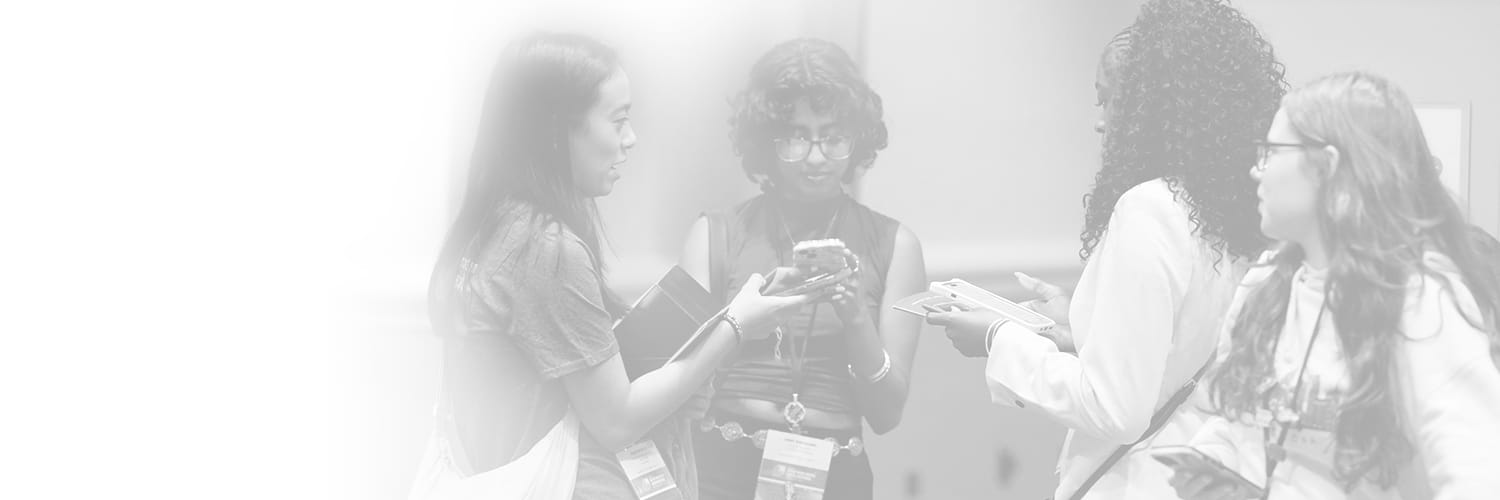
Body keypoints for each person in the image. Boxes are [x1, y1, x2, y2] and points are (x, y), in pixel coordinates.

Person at [408, 33, 824, 500]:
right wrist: (734, 326)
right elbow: (616, 419)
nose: (631, 139)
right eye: (618, 120)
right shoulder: (543, 247)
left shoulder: (497, 222)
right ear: (556, 129)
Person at [926, 0, 1287, 497]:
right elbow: (1176, 349)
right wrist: (1076, 324)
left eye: (1110, 100)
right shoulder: (1244, 213)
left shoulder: (1150, 208)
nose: (1101, 121)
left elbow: (1114, 407)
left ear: (1150, 107)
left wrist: (999, 337)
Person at [1169, 72, 1500, 500]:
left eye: (1271, 151)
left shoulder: (1419, 300)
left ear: (1327, 167)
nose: (1256, 169)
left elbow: (1478, 475)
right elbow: (1238, 427)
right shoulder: (1265, 287)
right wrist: (1211, 467)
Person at [678, 37, 927, 499]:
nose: (815, 158)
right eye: (795, 136)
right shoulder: (715, 235)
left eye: (833, 137)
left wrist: (856, 321)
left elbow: (888, 414)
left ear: (858, 139)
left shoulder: (896, 245)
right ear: (765, 143)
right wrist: (743, 322)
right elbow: (674, 383)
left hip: (835, 473)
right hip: (721, 469)